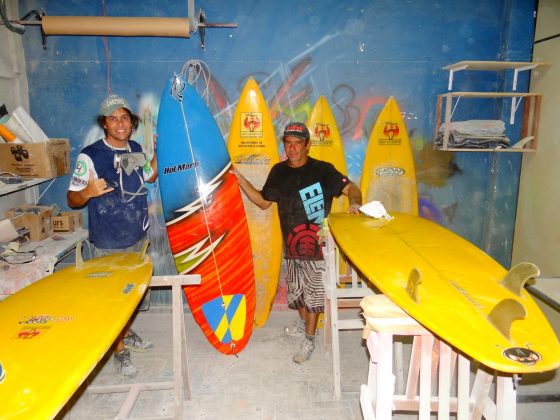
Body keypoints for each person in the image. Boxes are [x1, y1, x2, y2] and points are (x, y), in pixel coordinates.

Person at [232, 121, 362, 363]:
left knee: (313, 296)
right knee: (298, 295)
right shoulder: (279, 172)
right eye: (288, 143)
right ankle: (304, 326)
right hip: (291, 246)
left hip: (317, 246)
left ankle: (310, 339)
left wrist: (355, 203)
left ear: (308, 145)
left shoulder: (323, 170)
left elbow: (352, 188)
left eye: (297, 143)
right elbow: (262, 202)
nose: (291, 149)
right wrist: (240, 179)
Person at [67, 94, 158, 378]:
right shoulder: (90, 156)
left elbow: (149, 176)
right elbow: (72, 199)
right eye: (113, 118)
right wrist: (88, 192)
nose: (120, 123)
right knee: (113, 301)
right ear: (105, 123)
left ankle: (126, 334)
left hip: (136, 238)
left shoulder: (135, 147)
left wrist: (162, 149)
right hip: (107, 242)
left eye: (125, 118)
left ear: (131, 123)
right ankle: (120, 352)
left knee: (130, 297)